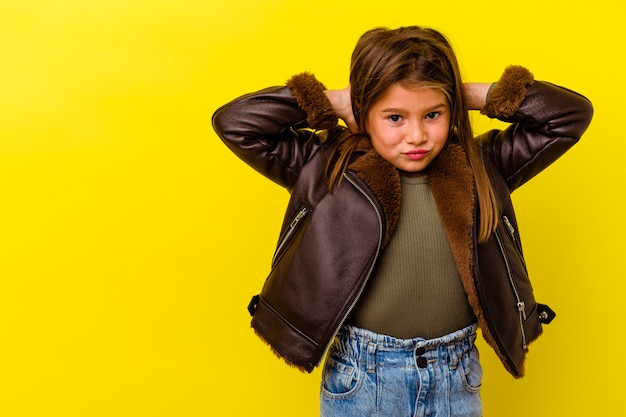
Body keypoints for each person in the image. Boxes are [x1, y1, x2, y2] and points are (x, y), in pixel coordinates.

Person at [212, 26, 593, 417]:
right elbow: (237, 123)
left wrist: (469, 96)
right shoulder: (328, 167)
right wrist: (338, 102)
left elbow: (569, 116)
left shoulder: (483, 165)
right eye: (394, 116)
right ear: (364, 114)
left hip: (455, 376)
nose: (417, 135)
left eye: (433, 114)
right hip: (363, 376)